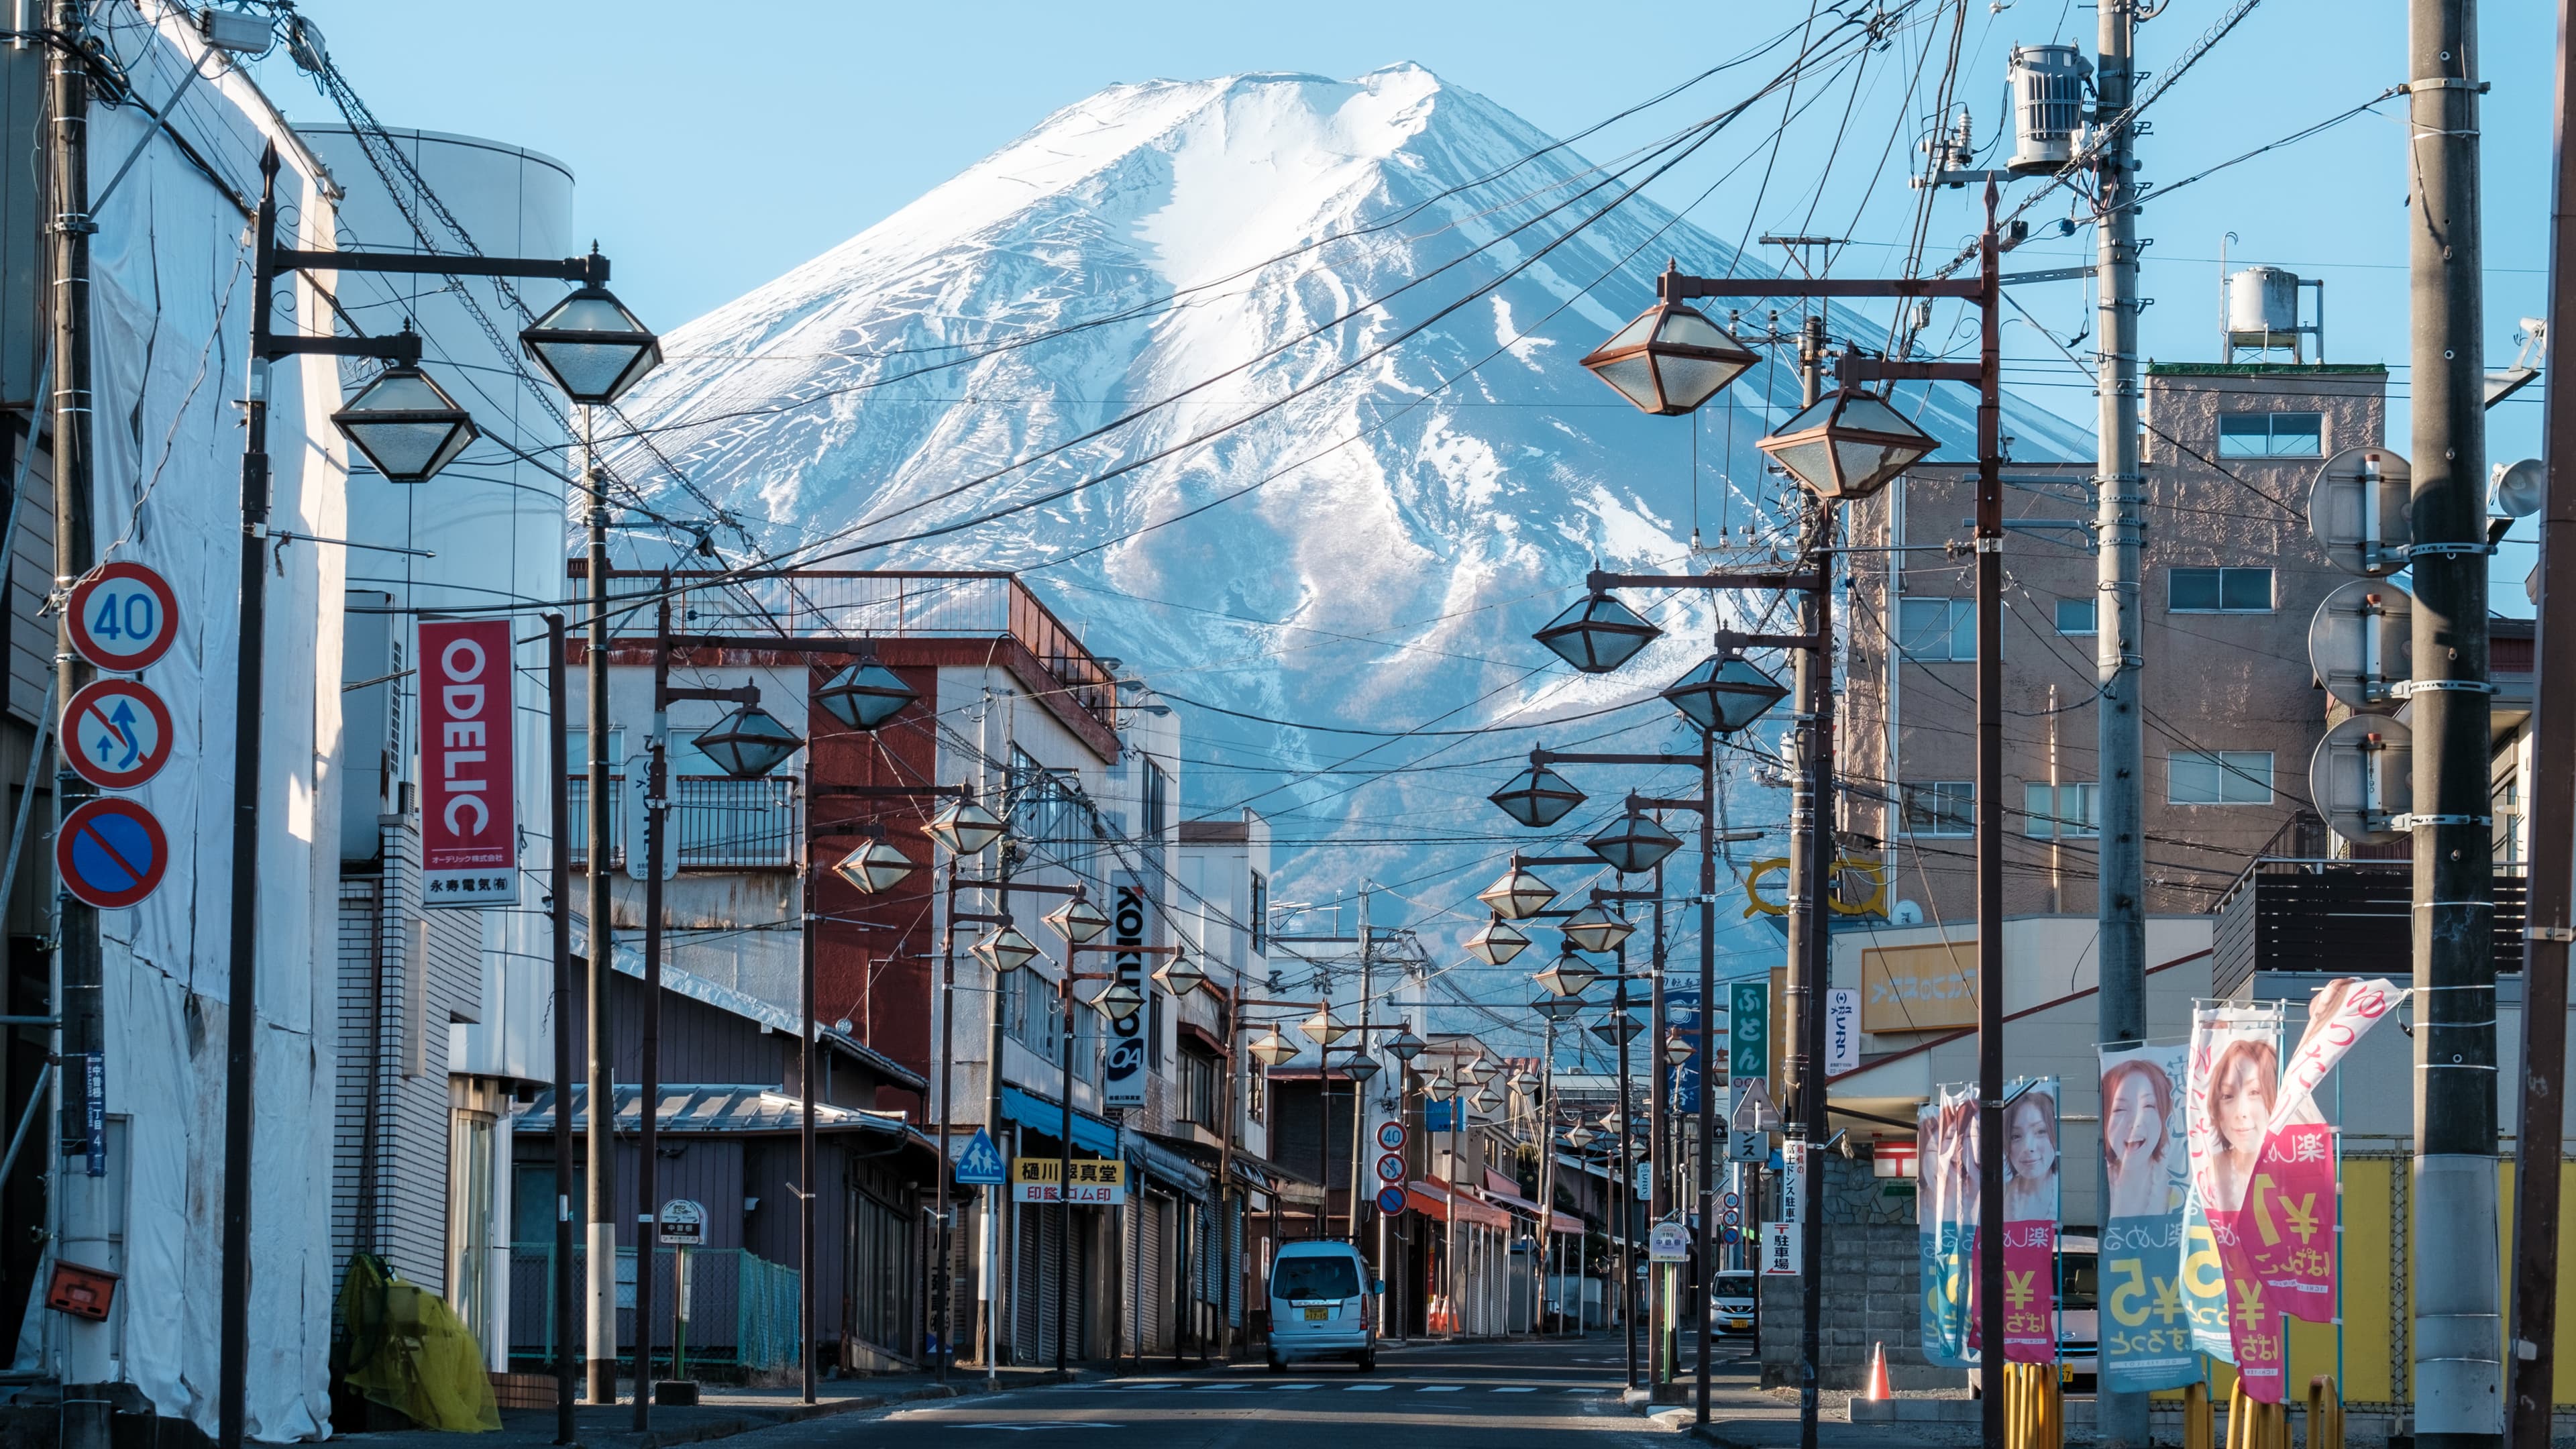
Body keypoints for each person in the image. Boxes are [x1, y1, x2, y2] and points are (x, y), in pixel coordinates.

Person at [2202, 1037, 2278, 1212]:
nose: (2241, 1112)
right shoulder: (2209, 1169)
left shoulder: (2296, 1166)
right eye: (2228, 1096)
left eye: (2255, 1092)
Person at [2101, 1059, 2179, 1220]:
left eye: (2149, 1106)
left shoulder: (2180, 1186)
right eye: (2120, 1109)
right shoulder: (2101, 1182)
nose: (2135, 1123)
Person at [2001, 1088, 2059, 1222]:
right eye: (2016, 1136)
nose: (2028, 1147)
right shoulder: (1997, 1194)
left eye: (2040, 1131)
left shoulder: (2059, 1193)